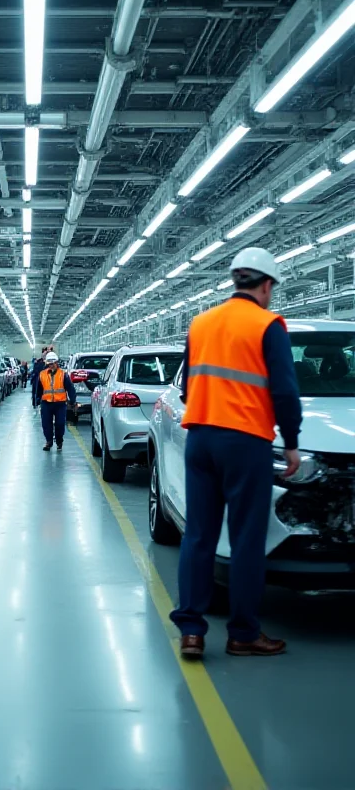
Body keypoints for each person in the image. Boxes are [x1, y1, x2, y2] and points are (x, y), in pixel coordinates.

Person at [170, 247, 302, 659]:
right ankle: (243, 634)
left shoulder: (201, 323)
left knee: (198, 535)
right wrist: (292, 441)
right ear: (266, 286)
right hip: (246, 442)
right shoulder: (268, 325)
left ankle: (191, 631)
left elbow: (190, 388)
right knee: (246, 539)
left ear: (235, 280)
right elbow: (283, 390)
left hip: (201, 439)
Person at [36, 351, 76, 451]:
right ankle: (49, 441)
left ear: (56, 363)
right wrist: (37, 399)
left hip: (60, 404)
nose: (51, 366)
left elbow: (70, 388)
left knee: (60, 424)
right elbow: (39, 389)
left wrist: (72, 400)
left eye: (53, 363)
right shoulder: (42, 374)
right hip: (46, 403)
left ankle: (59, 441)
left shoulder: (63, 374)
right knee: (46, 424)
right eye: (49, 364)